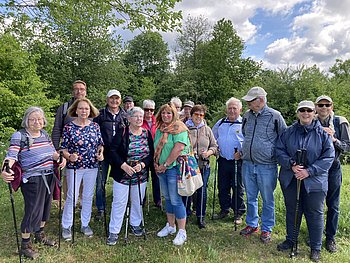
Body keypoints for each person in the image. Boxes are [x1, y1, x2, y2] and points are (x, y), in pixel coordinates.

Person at [1, 107, 66, 259]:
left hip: (49, 176)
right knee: (32, 211)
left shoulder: (44, 134)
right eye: (33, 119)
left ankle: (40, 235)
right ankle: (25, 244)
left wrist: (59, 158)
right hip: (33, 180)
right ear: (26, 121)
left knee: (45, 208)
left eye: (39, 119)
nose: (37, 122)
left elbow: (52, 152)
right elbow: (11, 156)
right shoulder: (20, 135)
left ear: (43, 121)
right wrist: (5, 169)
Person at [275, 100, 335, 262]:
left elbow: (328, 157)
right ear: (298, 113)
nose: (306, 113)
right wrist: (292, 165)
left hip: (315, 182)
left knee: (315, 213)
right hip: (291, 179)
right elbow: (279, 150)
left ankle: (315, 247)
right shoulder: (288, 132)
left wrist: (309, 171)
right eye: (302, 110)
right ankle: (291, 239)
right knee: (293, 211)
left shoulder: (322, 134)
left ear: (314, 112)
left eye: (309, 110)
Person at [240, 86, 287, 243]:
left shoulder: (275, 116)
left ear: (260, 100)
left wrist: (273, 154)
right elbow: (245, 134)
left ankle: (266, 229)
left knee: (268, 199)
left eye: (250, 101)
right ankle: (252, 224)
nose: (248, 104)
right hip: (247, 163)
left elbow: (284, 137)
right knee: (250, 196)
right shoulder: (247, 115)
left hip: (267, 165)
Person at [106, 107, 154, 245]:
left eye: (141, 116)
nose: (139, 119)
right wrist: (123, 165)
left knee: (137, 201)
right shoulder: (123, 132)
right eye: (136, 116)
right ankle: (114, 231)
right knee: (119, 202)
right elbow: (112, 151)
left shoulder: (147, 133)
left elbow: (151, 154)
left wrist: (143, 165)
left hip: (140, 173)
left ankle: (135, 224)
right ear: (129, 118)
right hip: (123, 173)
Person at [61, 98, 104, 240]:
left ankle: (85, 223)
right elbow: (63, 149)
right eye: (81, 108)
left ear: (90, 110)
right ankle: (66, 225)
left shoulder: (95, 126)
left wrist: (100, 153)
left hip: (92, 166)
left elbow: (100, 144)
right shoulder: (68, 127)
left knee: (87, 196)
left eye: (86, 109)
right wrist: (69, 156)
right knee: (72, 196)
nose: (83, 111)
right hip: (75, 167)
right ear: (75, 110)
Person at [314, 95, 350, 253]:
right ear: (315, 107)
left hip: (333, 168)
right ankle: (315, 235)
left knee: (333, 205)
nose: (323, 108)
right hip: (316, 168)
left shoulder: (340, 121)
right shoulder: (310, 119)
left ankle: (330, 238)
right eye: (320, 105)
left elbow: (347, 147)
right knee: (315, 205)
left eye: (326, 105)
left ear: (331, 106)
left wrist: (333, 138)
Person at [154, 102, 191, 246]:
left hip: (173, 168)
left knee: (176, 200)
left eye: (169, 113)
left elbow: (178, 149)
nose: (165, 115)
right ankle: (170, 226)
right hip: (161, 169)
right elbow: (157, 147)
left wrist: (165, 165)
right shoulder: (160, 129)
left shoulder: (179, 129)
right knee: (168, 198)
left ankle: (182, 231)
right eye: (163, 113)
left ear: (174, 114)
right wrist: (157, 165)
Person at [93, 89, 127, 220]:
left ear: (120, 100)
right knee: (101, 182)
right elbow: (95, 133)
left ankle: (120, 206)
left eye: (117, 98)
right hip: (104, 153)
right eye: (111, 98)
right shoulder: (100, 115)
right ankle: (101, 208)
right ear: (107, 100)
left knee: (121, 181)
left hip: (119, 154)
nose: (114, 101)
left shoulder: (124, 116)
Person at [212, 98, 246, 223]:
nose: (231, 111)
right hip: (223, 160)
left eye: (234, 108)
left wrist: (242, 153)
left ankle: (238, 213)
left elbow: (248, 142)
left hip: (238, 161)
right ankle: (224, 209)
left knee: (238, 187)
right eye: (230, 108)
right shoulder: (221, 123)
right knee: (223, 186)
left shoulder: (244, 123)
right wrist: (215, 148)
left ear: (240, 110)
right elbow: (212, 137)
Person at [186, 104, 218, 228]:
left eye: (201, 115)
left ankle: (200, 216)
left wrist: (209, 152)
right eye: (196, 114)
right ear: (191, 115)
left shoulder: (207, 129)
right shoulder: (185, 128)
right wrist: (190, 152)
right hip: (189, 166)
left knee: (202, 191)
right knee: (188, 190)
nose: (198, 117)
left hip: (204, 165)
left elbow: (214, 146)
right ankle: (186, 214)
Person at [141, 99, 161, 207]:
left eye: (151, 110)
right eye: (146, 109)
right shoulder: (139, 121)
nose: (149, 112)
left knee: (156, 178)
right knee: (143, 178)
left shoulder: (158, 122)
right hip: (144, 154)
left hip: (156, 154)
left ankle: (157, 200)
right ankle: (142, 199)